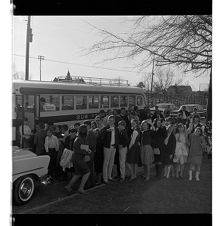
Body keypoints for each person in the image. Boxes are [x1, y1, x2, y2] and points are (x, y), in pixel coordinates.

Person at [65, 124, 92, 194]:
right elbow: (82, 150)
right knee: (87, 172)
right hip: (78, 158)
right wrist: (87, 152)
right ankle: (81, 188)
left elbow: (82, 148)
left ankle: (69, 186)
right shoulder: (81, 139)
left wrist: (87, 150)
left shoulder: (79, 138)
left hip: (76, 158)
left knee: (78, 173)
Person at [101, 115, 119, 184]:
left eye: (112, 120)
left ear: (114, 121)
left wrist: (116, 145)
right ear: (108, 121)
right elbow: (101, 135)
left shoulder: (116, 128)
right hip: (107, 147)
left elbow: (117, 138)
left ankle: (109, 176)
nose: (111, 122)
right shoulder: (106, 128)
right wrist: (106, 131)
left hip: (113, 147)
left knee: (111, 163)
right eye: (109, 120)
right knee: (106, 163)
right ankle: (105, 178)